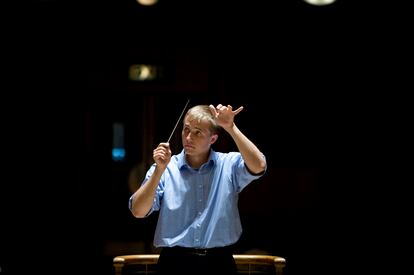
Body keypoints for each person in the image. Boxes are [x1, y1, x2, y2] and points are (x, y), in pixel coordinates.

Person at [129, 104, 267, 275]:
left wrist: (230, 127)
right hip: (174, 262)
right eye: (186, 129)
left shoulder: (228, 164)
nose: (188, 137)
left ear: (213, 139)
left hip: (219, 262)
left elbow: (259, 166)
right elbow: (138, 211)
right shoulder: (165, 168)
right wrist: (158, 170)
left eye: (197, 132)